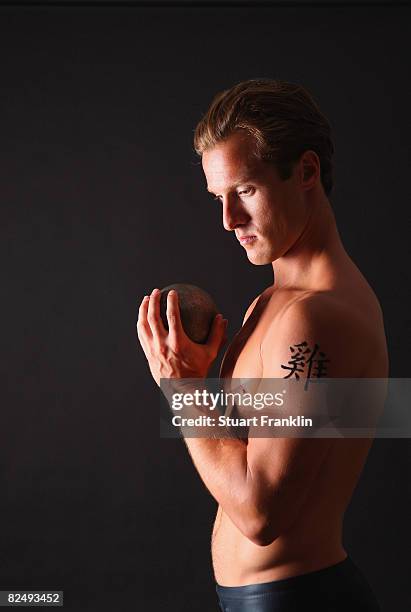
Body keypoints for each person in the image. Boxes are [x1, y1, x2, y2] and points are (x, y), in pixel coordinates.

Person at [137, 79, 388, 611]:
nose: (229, 221)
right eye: (218, 198)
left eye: (245, 191)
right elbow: (247, 458)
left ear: (306, 172)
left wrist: (180, 390)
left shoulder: (315, 317)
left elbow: (259, 514)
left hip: (300, 599)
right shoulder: (272, 304)